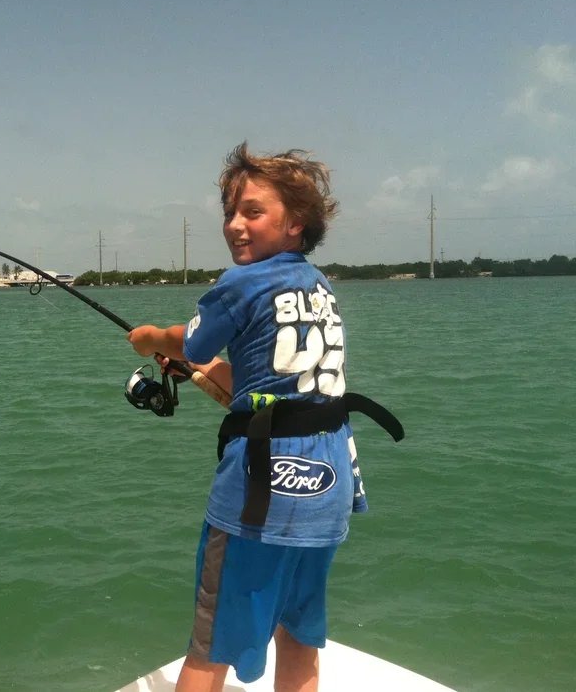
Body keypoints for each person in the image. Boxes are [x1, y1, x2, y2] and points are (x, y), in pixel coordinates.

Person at [128, 142, 398, 692]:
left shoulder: (241, 282)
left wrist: (150, 338)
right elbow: (282, 391)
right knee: (299, 636)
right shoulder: (318, 286)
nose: (235, 225)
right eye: (230, 212)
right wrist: (201, 370)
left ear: (295, 223)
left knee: (210, 647)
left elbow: (187, 340)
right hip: (328, 487)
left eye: (252, 211)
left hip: (260, 492)